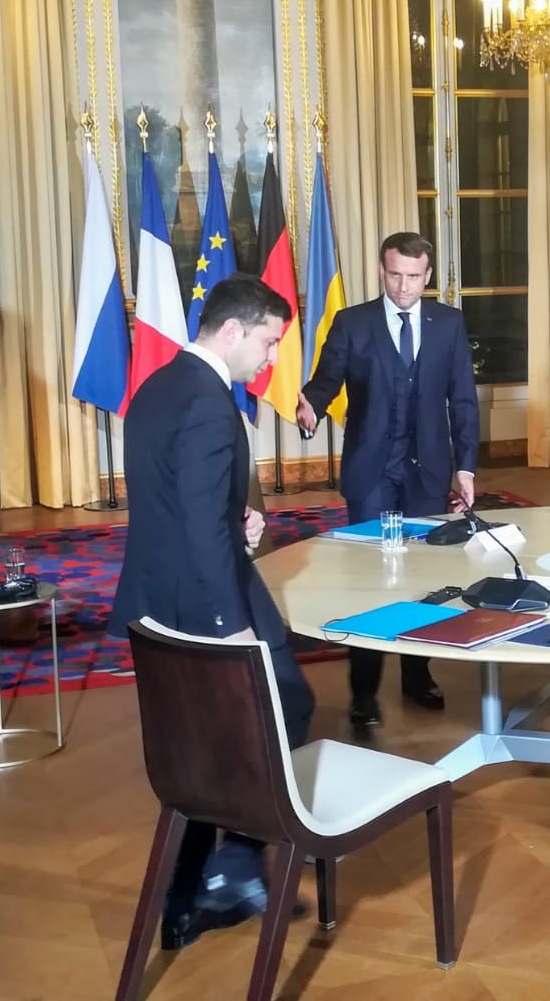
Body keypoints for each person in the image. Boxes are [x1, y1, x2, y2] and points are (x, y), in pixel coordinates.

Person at [110, 273, 313, 949]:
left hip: (160, 593)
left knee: (207, 748)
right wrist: (234, 630)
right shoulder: (208, 402)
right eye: (268, 342)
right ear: (231, 331)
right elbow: (197, 525)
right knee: (284, 703)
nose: (271, 358)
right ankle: (234, 864)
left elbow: (178, 498)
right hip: (207, 601)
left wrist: (236, 519)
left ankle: (190, 897)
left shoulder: (159, 386)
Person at [297, 232, 479, 729]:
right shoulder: (352, 322)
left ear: (428, 275)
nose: (403, 286)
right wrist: (311, 405)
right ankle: (363, 692)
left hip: (428, 471)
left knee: (423, 577)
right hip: (371, 469)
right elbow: (326, 379)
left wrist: (465, 467)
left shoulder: (448, 324)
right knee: (369, 580)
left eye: (414, 277)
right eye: (395, 275)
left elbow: (463, 399)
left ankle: (417, 676)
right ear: (382, 270)